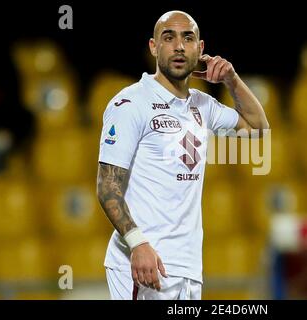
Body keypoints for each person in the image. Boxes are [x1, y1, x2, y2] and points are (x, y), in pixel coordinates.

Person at [97, 10, 269, 300]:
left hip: (188, 269)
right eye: (169, 37)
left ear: (200, 49)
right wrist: (138, 245)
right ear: (153, 47)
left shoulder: (203, 105)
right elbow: (107, 187)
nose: (179, 46)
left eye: (187, 38)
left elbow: (258, 129)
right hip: (145, 264)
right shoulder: (130, 103)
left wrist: (230, 79)